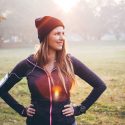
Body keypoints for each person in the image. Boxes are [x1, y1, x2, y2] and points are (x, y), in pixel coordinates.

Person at [0, 16, 107, 125]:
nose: (62, 38)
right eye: (57, 34)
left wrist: (80, 109)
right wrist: (22, 110)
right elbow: (2, 89)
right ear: (45, 37)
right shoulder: (28, 64)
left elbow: (100, 85)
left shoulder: (69, 61)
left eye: (63, 33)